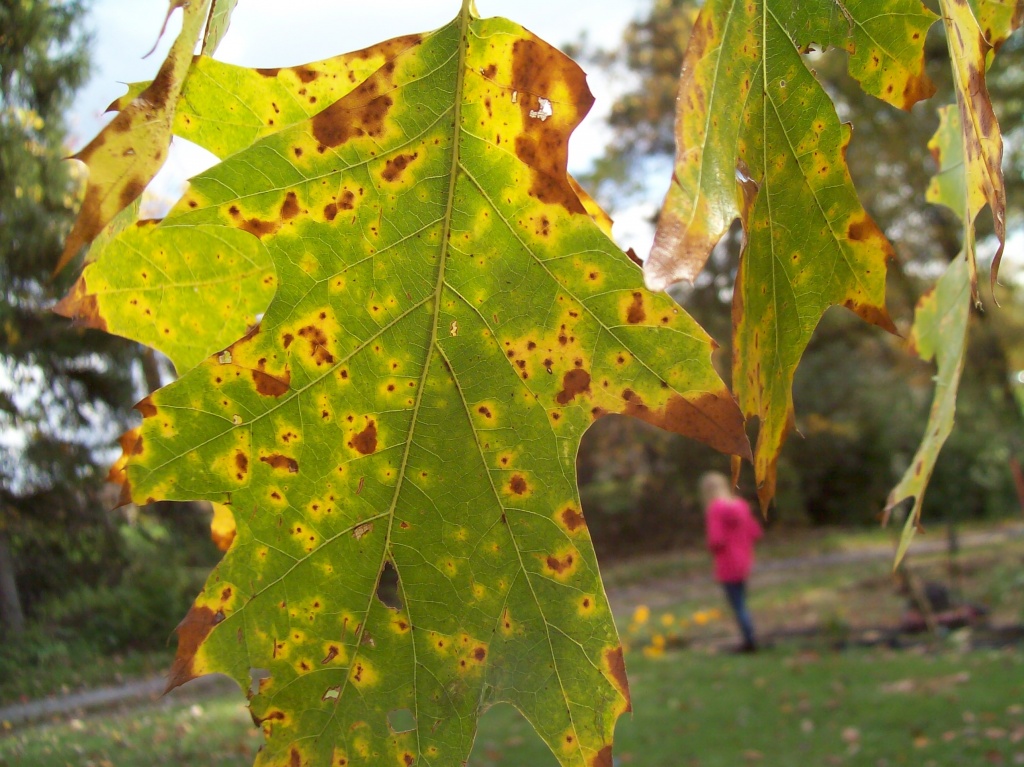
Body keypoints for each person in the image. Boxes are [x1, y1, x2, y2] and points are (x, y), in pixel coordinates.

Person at [701, 471, 763, 652]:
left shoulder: (715, 509)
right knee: (742, 600)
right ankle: (750, 637)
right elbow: (755, 532)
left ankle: (749, 640)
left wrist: (711, 548)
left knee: (738, 604)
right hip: (744, 559)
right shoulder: (741, 505)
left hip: (727, 562)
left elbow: (716, 540)